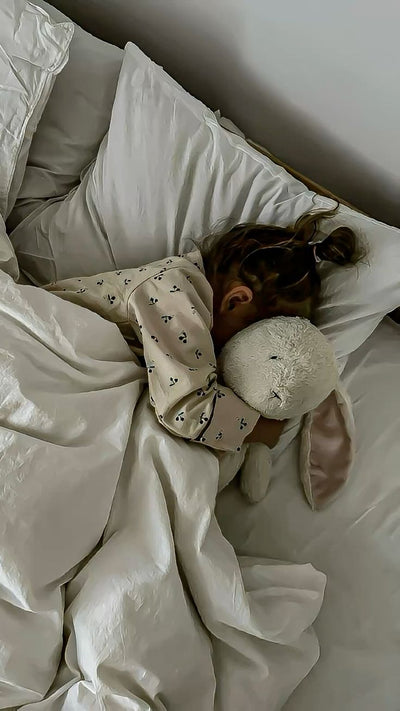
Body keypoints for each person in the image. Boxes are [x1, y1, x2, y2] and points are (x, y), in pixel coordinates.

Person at [45, 206, 363, 454]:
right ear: (236, 301)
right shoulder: (175, 293)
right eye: (250, 333)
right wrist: (265, 431)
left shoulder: (185, 293)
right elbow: (185, 409)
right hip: (48, 332)